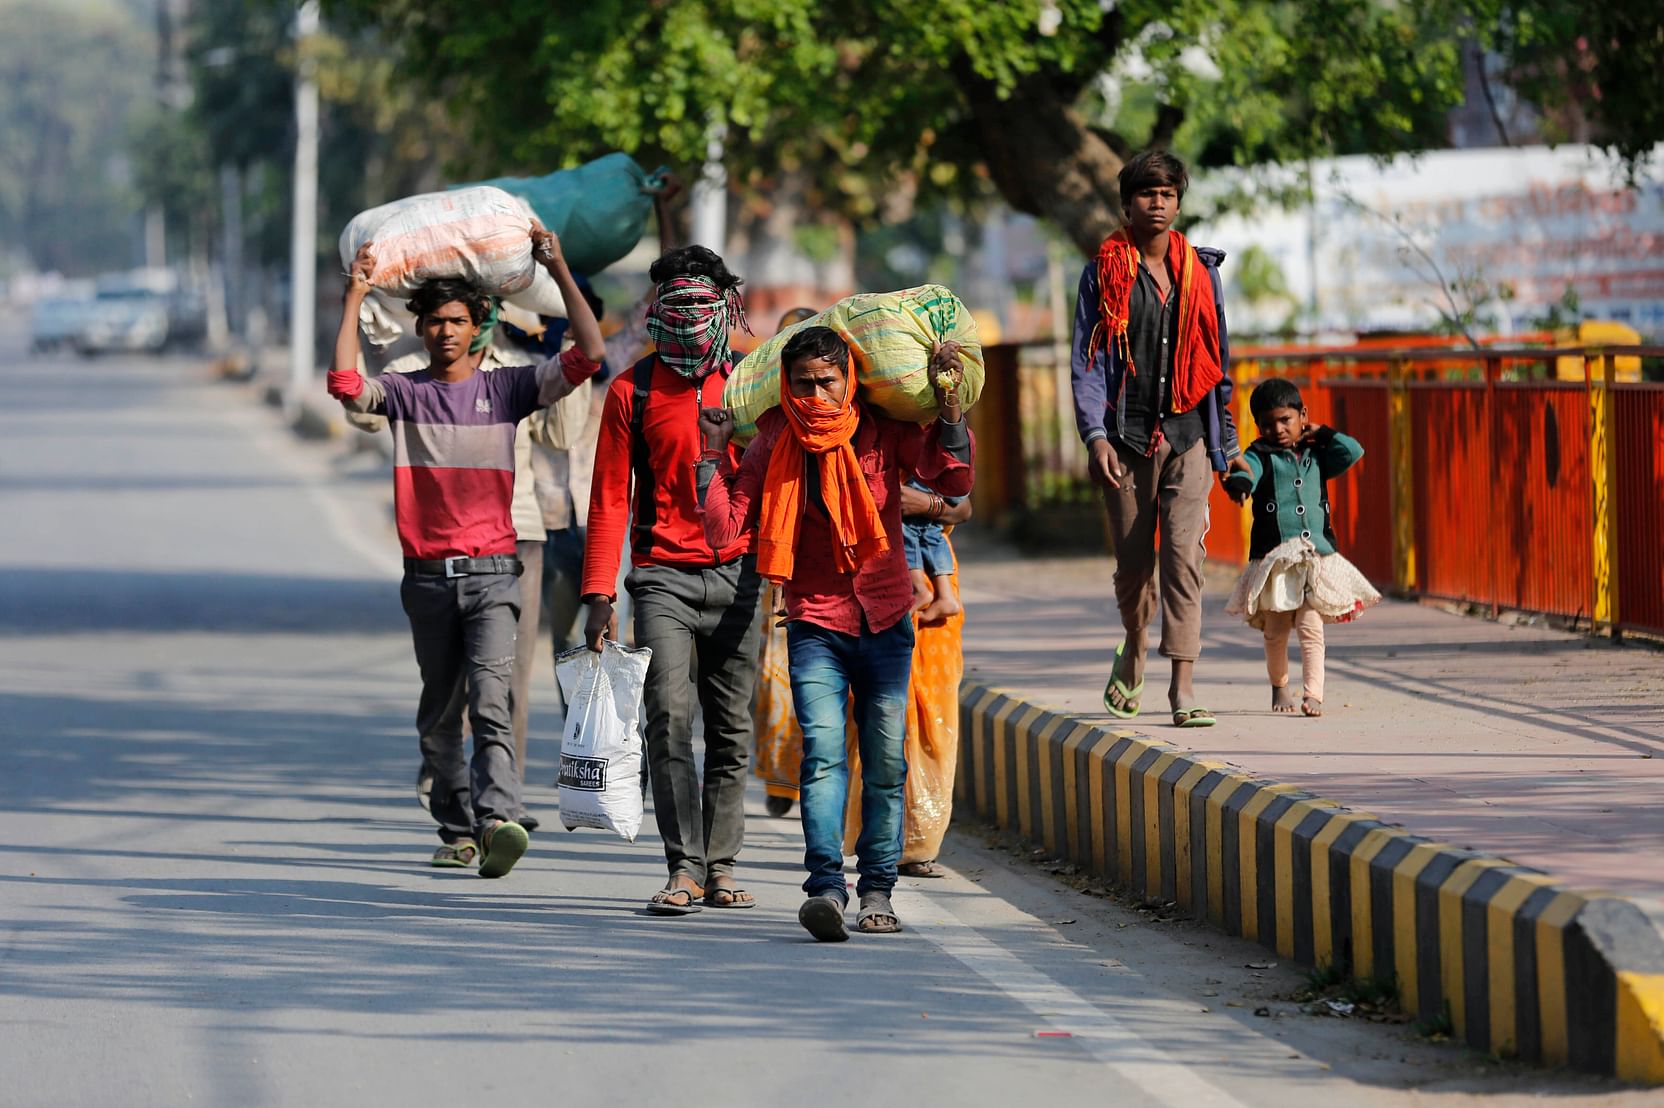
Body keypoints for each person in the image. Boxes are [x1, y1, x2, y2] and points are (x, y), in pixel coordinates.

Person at [327, 228, 605, 876]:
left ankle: (498, 819)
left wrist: (559, 267)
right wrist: (356, 293)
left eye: (457, 320)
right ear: (420, 328)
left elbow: (588, 354)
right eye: (435, 322)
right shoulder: (404, 393)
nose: (446, 331)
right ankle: (456, 826)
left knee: (493, 699)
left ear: (477, 324)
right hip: (427, 579)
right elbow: (345, 383)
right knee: (440, 715)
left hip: (493, 576)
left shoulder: (508, 390)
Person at [697, 326, 973, 941]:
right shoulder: (772, 436)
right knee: (822, 757)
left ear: (850, 380)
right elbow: (724, 531)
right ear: (786, 386)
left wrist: (950, 406)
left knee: (884, 761)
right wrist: (712, 454)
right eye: (803, 383)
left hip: (885, 618)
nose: (817, 394)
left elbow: (953, 483)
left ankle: (877, 890)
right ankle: (825, 886)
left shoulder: (883, 431)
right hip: (814, 620)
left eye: (828, 380)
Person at [581, 245, 762, 915]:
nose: (687, 319)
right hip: (662, 579)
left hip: (741, 576)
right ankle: (683, 866)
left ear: (726, 307)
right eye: (673, 305)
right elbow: (608, 500)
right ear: (655, 311)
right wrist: (599, 593)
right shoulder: (632, 391)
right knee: (668, 718)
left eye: (701, 305)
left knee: (732, 727)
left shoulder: (753, 386)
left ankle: (723, 864)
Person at [1069, 148, 1250, 729]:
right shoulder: (1103, 272)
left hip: (1188, 436)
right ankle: (1135, 644)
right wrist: (1095, 435)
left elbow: (1218, 364)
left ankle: (1183, 686)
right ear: (1127, 204)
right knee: (1133, 568)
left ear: (1179, 202)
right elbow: (1088, 362)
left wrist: (1227, 449)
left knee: (1182, 560)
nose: (1159, 203)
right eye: (1148, 193)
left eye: (1169, 194)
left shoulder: (1201, 273)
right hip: (1124, 439)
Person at [1224, 378, 1380, 717]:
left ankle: (1314, 694)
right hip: (1277, 560)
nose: (1278, 429)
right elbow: (1249, 471)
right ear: (1258, 426)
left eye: (1286, 420)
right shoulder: (1261, 454)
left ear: (1302, 416)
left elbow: (1353, 451)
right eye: (1268, 424)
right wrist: (1240, 485)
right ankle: (1280, 686)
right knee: (1277, 629)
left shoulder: (1317, 454)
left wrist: (1321, 432)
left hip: (1312, 558)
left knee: (1311, 627)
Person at [752, 306, 819, 820]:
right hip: (775, 567)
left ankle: (815, 785)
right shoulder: (767, 425)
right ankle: (781, 777)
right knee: (775, 682)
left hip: (828, 574)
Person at [900, 479, 964, 624]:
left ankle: (924, 590)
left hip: (924, 578)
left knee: (907, 527)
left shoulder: (925, 465)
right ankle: (944, 596)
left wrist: (928, 504)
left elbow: (963, 509)